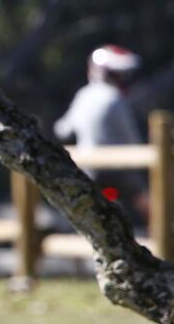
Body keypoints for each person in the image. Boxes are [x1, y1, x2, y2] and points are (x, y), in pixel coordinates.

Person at [55, 45, 148, 220]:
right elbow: (131, 137)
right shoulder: (115, 98)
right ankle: (162, 237)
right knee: (147, 204)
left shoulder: (83, 94)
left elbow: (63, 130)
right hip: (119, 170)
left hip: (88, 167)